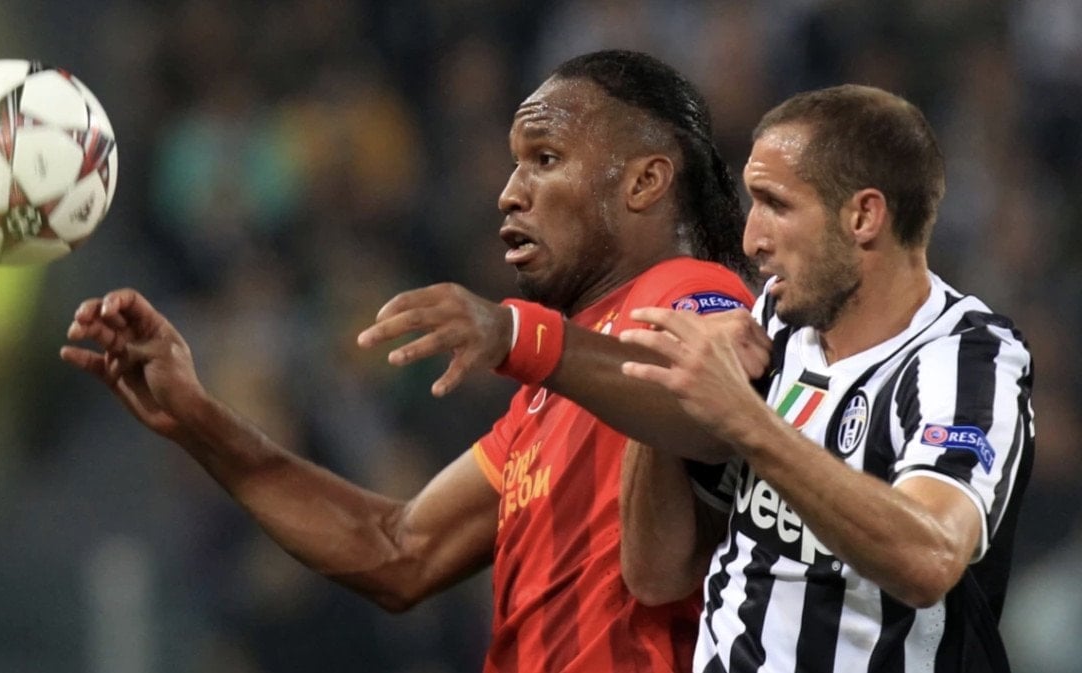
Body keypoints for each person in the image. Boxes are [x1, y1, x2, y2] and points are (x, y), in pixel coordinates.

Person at [61, 50, 756, 672]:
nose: (510, 192)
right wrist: (195, 417)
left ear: (644, 182)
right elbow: (396, 550)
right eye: (516, 163)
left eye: (545, 159)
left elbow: (703, 409)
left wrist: (515, 335)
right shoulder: (552, 392)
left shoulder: (693, 292)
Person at [617, 84, 1034, 672]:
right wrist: (667, 398)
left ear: (863, 216)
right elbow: (657, 574)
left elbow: (930, 559)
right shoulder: (773, 327)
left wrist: (747, 419)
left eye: (775, 204)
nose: (751, 240)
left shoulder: (966, 360)